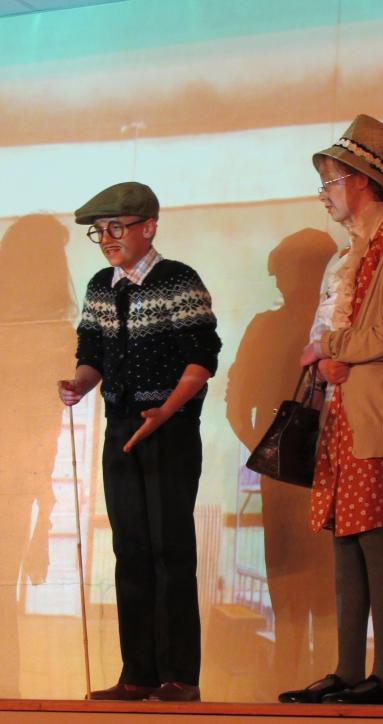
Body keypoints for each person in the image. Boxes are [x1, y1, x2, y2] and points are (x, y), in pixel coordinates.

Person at [278, 115, 383, 705]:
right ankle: (347, 668)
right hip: (343, 414)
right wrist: (327, 358)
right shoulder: (349, 255)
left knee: (374, 537)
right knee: (345, 538)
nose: (325, 194)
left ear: (362, 180)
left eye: (331, 181)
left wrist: (329, 347)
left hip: (375, 413)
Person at [58, 182, 221, 701]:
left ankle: (180, 678)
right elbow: (92, 354)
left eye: (117, 227)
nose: (107, 238)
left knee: (170, 549)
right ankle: (138, 675)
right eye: (99, 231)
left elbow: (202, 358)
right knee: (129, 549)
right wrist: (79, 385)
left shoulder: (178, 280)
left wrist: (167, 410)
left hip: (170, 428)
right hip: (121, 427)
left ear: (148, 227)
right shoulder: (100, 287)